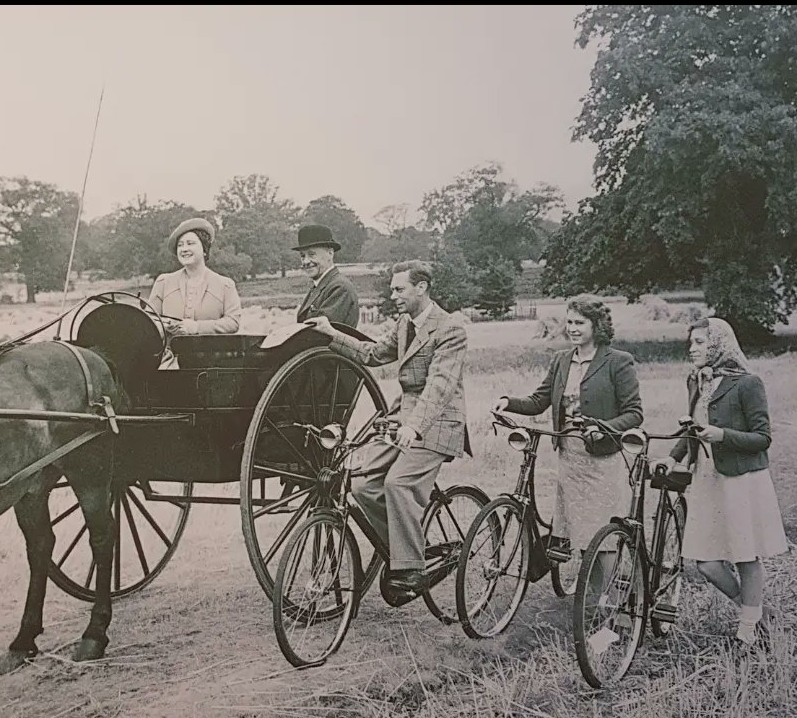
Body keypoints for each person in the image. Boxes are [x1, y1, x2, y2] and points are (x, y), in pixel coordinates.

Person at [306, 260, 469, 596]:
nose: (393, 295)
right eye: (392, 289)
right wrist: (331, 334)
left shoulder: (450, 329)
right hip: (403, 420)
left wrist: (413, 427)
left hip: (435, 423)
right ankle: (404, 551)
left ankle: (411, 569)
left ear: (421, 288)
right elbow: (373, 353)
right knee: (364, 486)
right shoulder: (405, 324)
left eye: (399, 289)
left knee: (397, 484)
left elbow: (440, 388)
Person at [656, 316, 789, 647]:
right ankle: (755, 611)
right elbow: (692, 430)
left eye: (700, 342)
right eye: (692, 342)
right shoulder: (696, 381)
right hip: (707, 480)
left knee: (745, 555)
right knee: (707, 563)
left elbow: (762, 438)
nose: (692, 348)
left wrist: (723, 435)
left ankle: (747, 629)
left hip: (741, 480)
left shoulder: (747, 383)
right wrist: (673, 457)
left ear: (719, 344)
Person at [494, 295, 643, 571]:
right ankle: (589, 591)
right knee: (578, 528)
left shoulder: (618, 361)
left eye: (580, 323)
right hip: (570, 456)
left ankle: (605, 599)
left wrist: (604, 428)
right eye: (570, 322)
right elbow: (540, 400)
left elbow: (634, 413)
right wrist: (509, 402)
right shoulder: (561, 360)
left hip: (602, 458)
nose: (572, 328)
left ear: (596, 325)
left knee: (602, 532)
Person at [147, 218, 241, 367]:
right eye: (180, 245)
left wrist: (196, 327)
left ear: (204, 249)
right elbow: (149, 321)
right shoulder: (163, 282)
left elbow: (233, 323)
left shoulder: (225, 285)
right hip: (169, 364)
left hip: (212, 364)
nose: (184, 249)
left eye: (190, 243)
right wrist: (164, 325)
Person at [292, 224, 359, 329]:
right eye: (302, 256)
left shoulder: (340, 287)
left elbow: (322, 335)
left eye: (312, 254)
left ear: (330, 253)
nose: (306, 261)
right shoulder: (320, 285)